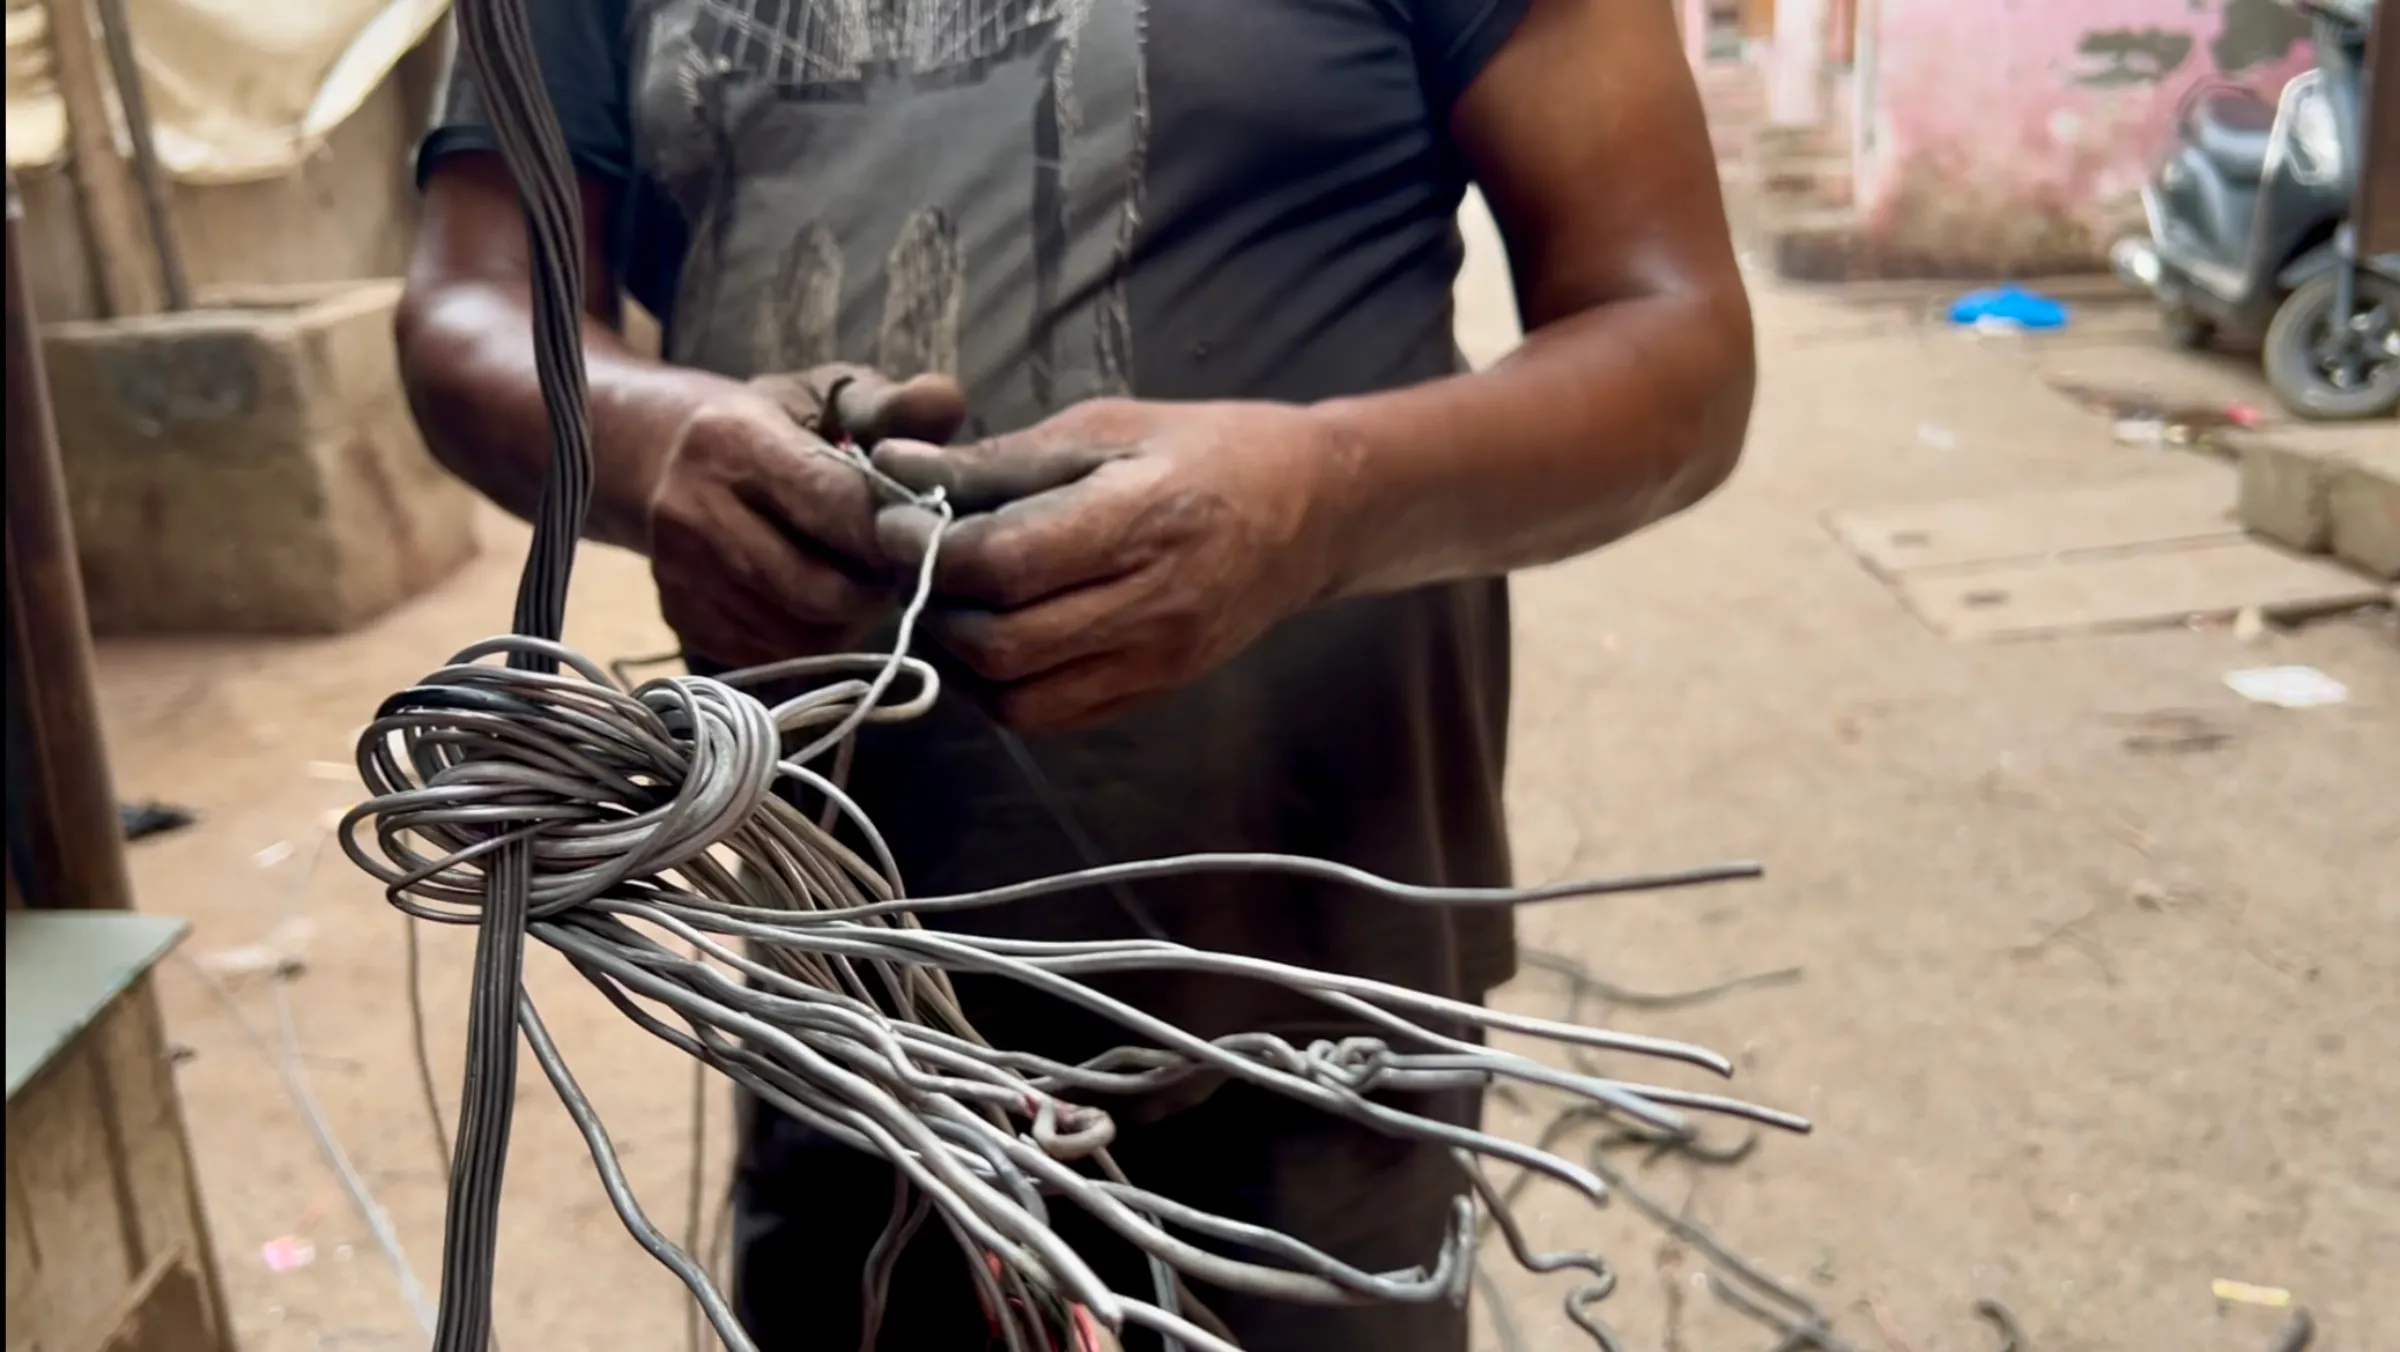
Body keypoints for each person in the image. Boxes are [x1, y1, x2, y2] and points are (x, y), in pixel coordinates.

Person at [397, 1, 1753, 1348]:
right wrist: (654, 441)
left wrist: (1323, 502)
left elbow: (1676, 339)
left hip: (1306, 1014)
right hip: (842, 1007)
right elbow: (474, 299)